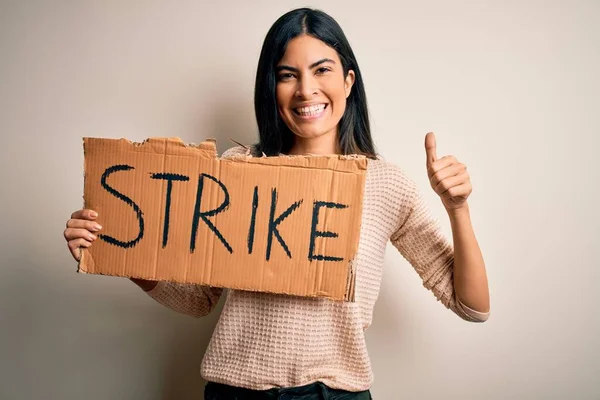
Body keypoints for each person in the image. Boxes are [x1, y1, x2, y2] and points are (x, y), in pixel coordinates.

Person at [63, 7, 490, 400]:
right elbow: (197, 300)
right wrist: (119, 249)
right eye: (287, 75)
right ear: (272, 88)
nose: (306, 90)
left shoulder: (385, 183)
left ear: (348, 81)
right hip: (234, 391)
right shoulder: (239, 169)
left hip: (332, 394)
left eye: (322, 70)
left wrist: (458, 208)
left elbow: (472, 306)